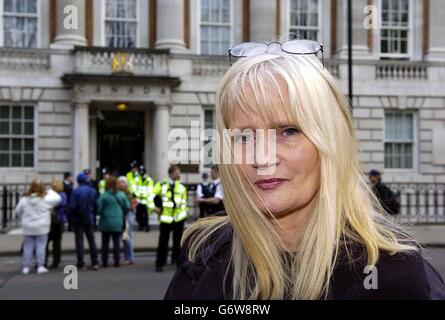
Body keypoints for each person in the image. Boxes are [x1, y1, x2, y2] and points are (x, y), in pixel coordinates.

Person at [164, 39, 445, 299]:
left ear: (332, 141)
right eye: (243, 136)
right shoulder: (202, 255)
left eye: (288, 131)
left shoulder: (391, 271)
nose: (261, 159)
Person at [15, 180, 61, 275]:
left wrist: (23, 218)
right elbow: (58, 198)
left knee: (27, 247)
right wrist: (50, 191)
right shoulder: (46, 200)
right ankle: (40, 266)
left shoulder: (24, 199)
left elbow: (18, 211)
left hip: (28, 226)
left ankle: (26, 267)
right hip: (42, 226)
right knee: (41, 247)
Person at [153, 165, 188, 272]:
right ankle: (160, 263)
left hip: (178, 219)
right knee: (163, 242)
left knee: (178, 242)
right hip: (166, 219)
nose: (178, 175)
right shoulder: (161, 184)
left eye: (179, 173)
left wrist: (184, 214)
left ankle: (179, 263)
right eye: (177, 173)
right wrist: (154, 208)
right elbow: (150, 196)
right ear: (171, 174)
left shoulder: (182, 187)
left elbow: (184, 202)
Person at [97, 176, 130, 267]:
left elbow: (98, 208)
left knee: (105, 243)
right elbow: (127, 206)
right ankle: (116, 260)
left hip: (105, 221)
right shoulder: (121, 195)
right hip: (118, 221)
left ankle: (105, 261)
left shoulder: (104, 196)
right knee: (116, 242)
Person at [69, 173, 100, 270]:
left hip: (78, 218)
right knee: (91, 240)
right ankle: (95, 262)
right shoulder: (92, 191)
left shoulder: (75, 191)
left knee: (79, 241)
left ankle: (81, 262)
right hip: (89, 216)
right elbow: (96, 205)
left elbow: (72, 206)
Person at [45, 180, 68, 269]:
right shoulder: (63, 195)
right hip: (59, 220)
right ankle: (56, 261)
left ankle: (45, 261)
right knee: (57, 243)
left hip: (52, 221)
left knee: (47, 242)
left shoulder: (52, 196)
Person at [117, 176, 138, 265]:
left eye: (123, 182)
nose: (122, 184)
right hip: (124, 214)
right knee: (125, 238)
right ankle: (127, 257)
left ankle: (129, 258)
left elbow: (134, 202)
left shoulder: (128, 192)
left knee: (127, 237)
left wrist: (131, 206)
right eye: (120, 182)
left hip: (128, 214)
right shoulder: (119, 192)